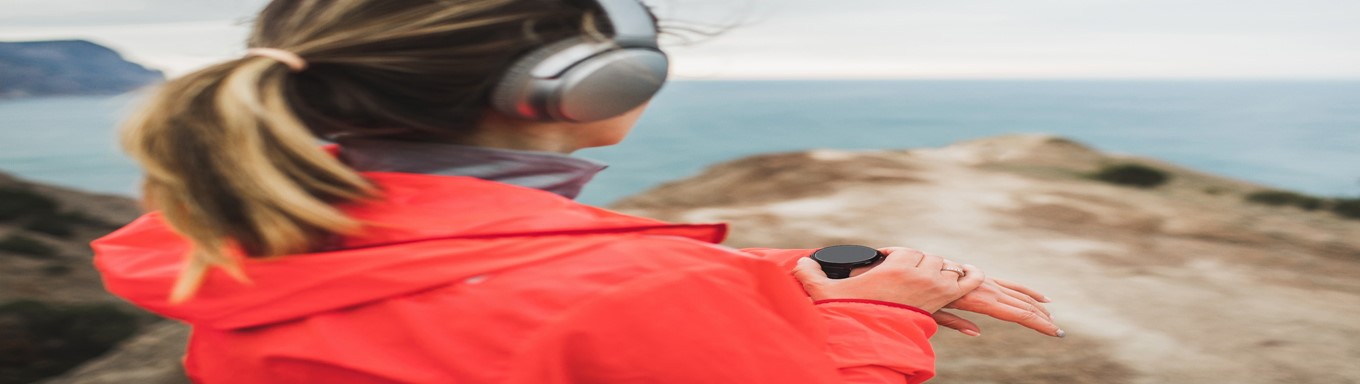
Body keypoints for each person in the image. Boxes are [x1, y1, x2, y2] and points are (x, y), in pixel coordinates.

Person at [93, 0, 1061, 383]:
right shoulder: (631, 292)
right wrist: (879, 319)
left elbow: (460, 281)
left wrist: (778, 278)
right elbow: (580, 302)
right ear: (569, 85)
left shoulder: (230, 241)